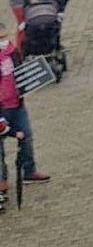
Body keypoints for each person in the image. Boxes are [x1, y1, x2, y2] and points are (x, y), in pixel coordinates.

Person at [0, 17, 50, 185]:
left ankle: (29, 170)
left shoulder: (13, 52)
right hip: (2, 108)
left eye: (4, 37)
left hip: (17, 104)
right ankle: (2, 180)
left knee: (26, 137)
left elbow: (21, 73)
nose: (4, 41)